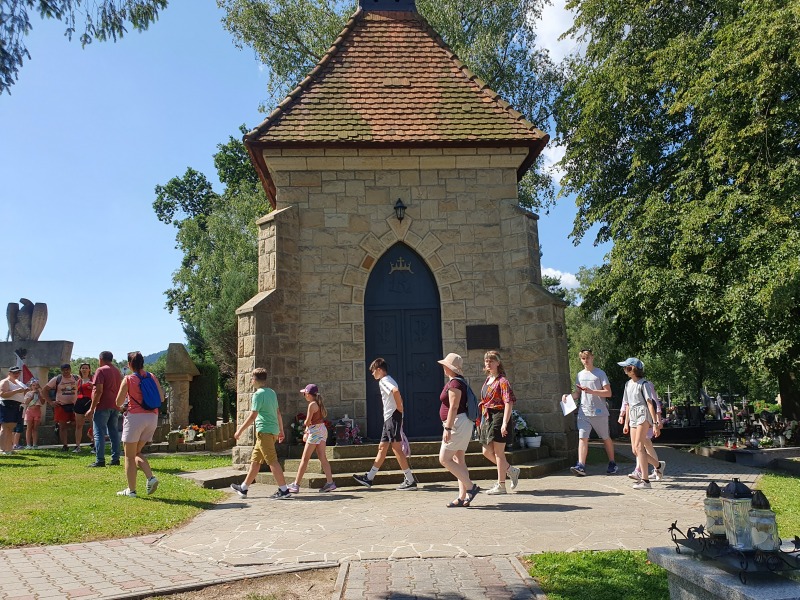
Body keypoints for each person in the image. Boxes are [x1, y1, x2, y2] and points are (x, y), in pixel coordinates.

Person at [353, 358, 417, 491]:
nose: (372, 374)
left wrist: (400, 408)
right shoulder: (389, 379)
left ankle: (410, 480)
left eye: (373, 371)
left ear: (379, 370)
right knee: (382, 448)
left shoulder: (384, 380)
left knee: (396, 449)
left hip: (392, 417)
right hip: (389, 418)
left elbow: (395, 391)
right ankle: (369, 478)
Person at [231, 367, 292, 499]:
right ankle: (243, 488)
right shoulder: (272, 392)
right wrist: (281, 431)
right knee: (256, 461)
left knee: (272, 461)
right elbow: (278, 413)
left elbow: (253, 416)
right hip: (271, 432)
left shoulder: (258, 395)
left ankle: (284, 490)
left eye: (251, 378)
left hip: (265, 432)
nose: (251, 381)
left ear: (255, 379)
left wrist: (239, 430)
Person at [114, 351, 162, 497]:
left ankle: (131, 490)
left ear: (129, 364)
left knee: (129, 456)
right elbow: (161, 398)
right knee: (136, 452)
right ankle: (150, 478)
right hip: (152, 418)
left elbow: (118, 402)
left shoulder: (128, 379)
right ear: (143, 363)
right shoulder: (152, 376)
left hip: (135, 418)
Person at [436, 353, 479, 507]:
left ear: (450, 367)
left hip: (456, 424)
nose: (443, 367)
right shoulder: (457, 382)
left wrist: (447, 428)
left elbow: (454, 407)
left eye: (445, 365)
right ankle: (462, 497)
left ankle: (471, 487)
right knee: (458, 460)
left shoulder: (455, 384)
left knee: (444, 459)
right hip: (461, 423)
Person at [567, 348, 617, 476]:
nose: (585, 361)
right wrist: (567, 397)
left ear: (592, 358)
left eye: (587, 358)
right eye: (583, 358)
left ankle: (612, 463)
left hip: (599, 412)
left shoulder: (600, 373)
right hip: (584, 412)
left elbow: (608, 393)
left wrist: (592, 391)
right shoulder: (580, 375)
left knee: (605, 437)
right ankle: (581, 465)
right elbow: (578, 393)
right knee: (582, 438)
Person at [479, 351, 520, 495]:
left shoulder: (502, 381)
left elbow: (508, 402)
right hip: (488, 417)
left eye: (491, 361)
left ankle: (501, 485)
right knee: (486, 451)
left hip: (499, 415)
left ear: (498, 363)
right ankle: (510, 470)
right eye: (486, 361)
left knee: (498, 452)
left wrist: (504, 423)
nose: (488, 363)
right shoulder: (488, 380)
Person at [619, 357, 664, 490]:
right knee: (635, 450)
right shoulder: (627, 384)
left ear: (632, 369)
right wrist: (626, 423)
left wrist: (655, 423)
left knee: (639, 446)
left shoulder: (644, 384)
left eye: (626, 367)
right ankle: (659, 465)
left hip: (643, 414)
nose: (624, 370)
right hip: (633, 415)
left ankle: (645, 480)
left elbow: (650, 404)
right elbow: (627, 404)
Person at [287, 384, 336, 493]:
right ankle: (330, 482)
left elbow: (307, 421)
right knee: (322, 457)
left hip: (315, 431)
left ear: (308, 394)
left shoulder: (312, 405)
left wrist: (306, 430)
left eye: (304, 393)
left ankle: (296, 484)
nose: (304, 395)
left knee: (305, 459)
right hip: (322, 429)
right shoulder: (319, 403)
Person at [86, 351, 122, 467]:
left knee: (99, 433)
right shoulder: (117, 371)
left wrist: (92, 408)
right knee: (113, 432)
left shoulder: (100, 370)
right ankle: (115, 459)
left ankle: (100, 460)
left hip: (102, 405)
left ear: (100, 359)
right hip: (115, 404)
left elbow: (99, 390)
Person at [42, 363, 79, 451]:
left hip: (75, 405)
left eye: (67, 369)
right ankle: (65, 445)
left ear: (70, 369)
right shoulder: (57, 379)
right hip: (61, 405)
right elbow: (44, 390)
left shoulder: (76, 378)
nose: (66, 372)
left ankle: (77, 444)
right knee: (62, 426)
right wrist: (50, 402)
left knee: (77, 424)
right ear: (61, 371)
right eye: (64, 370)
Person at [0, 366, 26, 455]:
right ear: (9, 373)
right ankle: (2, 449)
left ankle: (8, 449)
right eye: (14, 372)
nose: (16, 374)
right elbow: (2, 394)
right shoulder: (5, 382)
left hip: (16, 406)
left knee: (10, 428)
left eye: (18, 372)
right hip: (7, 405)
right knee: (4, 428)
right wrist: (16, 391)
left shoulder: (18, 382)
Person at [73, 363, 94, 452]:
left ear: (89, 370)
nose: (84, 370)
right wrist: (75, 403)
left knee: (92, 424)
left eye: (86, 368)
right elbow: (76, 393)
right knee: (78, 425)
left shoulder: (93, 379)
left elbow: (98, 390)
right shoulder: (78, 381)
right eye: (83, 368)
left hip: (90, 402)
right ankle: (77, 446)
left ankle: (95, 445)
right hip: (80, 402)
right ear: (80, 370)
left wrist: (92, 387)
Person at [22, 379, 44, 449]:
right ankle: (28, 444)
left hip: (37, 411)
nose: (35, 387)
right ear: (31, 386)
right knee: (29, 428)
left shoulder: (40, 393)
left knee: (35, 428)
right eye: (33, 385)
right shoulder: (28, 393)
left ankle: (34, 444)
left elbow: (43, 402)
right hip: (29, 411)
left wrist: (40, 395)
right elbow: (26, 403)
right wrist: (32, 396)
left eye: (37, 385)